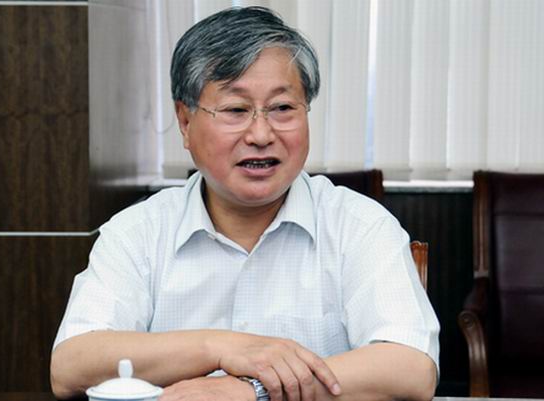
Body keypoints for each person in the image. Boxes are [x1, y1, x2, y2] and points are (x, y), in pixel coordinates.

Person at [50, 6, 439, 401]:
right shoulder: (138, 232)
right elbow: (71, 366)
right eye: (236, 110)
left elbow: (410, 367)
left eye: (283, 108)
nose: (261, 134)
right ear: (185, 122)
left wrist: (253, 390)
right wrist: (220, 347)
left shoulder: (359, 226)